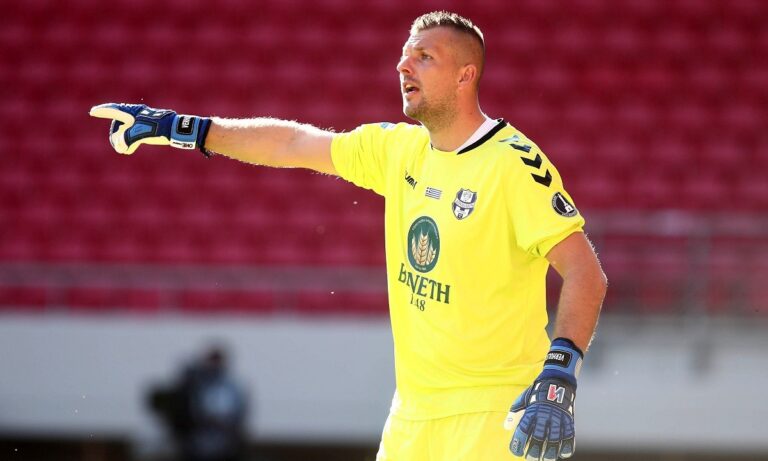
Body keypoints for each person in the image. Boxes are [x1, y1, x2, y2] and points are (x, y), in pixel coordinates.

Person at [92, 11, 607, 461]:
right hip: (412, 416)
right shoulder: (398, 150)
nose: (403, 66)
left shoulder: (513, 163)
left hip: (494, 412)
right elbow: (294, 143)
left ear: (465, 75)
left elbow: (586, 273)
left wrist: (559, 375)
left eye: (424, 57)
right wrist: (185, 128)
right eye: (404, 56)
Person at [148, 345, 248, 461]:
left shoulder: (231, 386)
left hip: (224, 443)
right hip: (197, 442)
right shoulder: (195, 385)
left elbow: (239, 413)